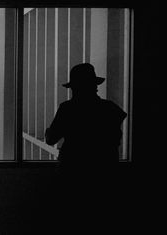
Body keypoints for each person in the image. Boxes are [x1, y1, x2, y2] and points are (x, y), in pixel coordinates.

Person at [45, 63, 127, 232]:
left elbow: (50, 139)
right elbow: (115, 139)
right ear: (95, 86)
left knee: (73, 220)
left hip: (72, 172)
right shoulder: (110, 109)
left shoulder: (67, 109)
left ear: (75, 87)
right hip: (104, 174)